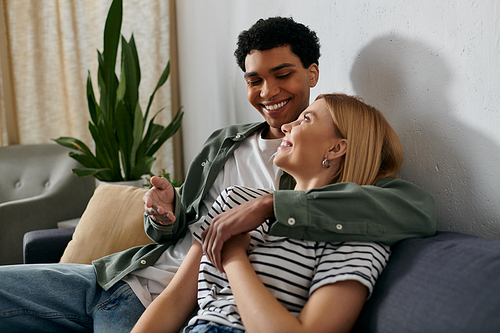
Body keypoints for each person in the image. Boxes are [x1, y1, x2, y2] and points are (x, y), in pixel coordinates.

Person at [0, 17, 435, 333]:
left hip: (170, 304)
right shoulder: (224, 143)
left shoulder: (323, 173)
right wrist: (164, 218)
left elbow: (414, 209)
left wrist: (269, 204)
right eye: (254, 80)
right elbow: (181, 232)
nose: (268, 92)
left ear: (311, 73)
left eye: (282, 74)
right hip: (116, 276)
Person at [131, 93, 400, 333]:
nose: (286, 126)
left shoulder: (357, 234)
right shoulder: (237, 201)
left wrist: (235, 256)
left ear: (336, 148)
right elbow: (174, 301)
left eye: (305, 119)